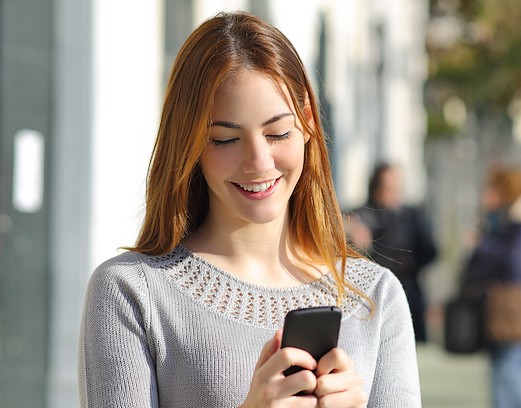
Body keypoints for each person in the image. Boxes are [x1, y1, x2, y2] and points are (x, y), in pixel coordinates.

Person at [78, 12, 420, 407]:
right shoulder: (131, 292)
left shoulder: (374, 296)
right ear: (189, 145)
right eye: (225, 139)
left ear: (307, 124)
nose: (258, 162)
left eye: (277, 133)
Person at [461, 166, 521, 408]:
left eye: (492, 189)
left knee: (506, 370)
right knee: (505, 370)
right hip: (502, 307)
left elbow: (515, 260)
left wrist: (482, 246)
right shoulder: (504, 219)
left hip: (514, 307)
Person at [346, 163, 438, 342]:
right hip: (371, 300)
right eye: (389, 188)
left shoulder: (412, 217)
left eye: (398, 188)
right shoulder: (362, 215)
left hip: (409, 294)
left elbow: (431, 251)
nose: (394, 193)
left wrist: (409, 264)